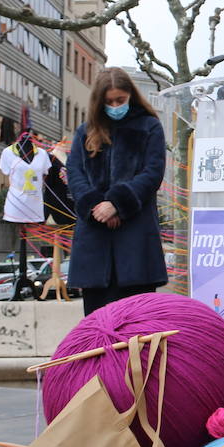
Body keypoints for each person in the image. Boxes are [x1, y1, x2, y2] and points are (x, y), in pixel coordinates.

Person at [67, 67, 168, 316]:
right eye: (109, 101)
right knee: (96, 327)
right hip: (94, 242)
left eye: (120, 100)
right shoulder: (85, 131)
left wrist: (117, 203)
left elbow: (152, 173)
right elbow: (75, 173)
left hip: (136, 240)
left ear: (130, 95)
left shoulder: (150, 126)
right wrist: (95, 206)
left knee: (137, 326)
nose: (115, 106)